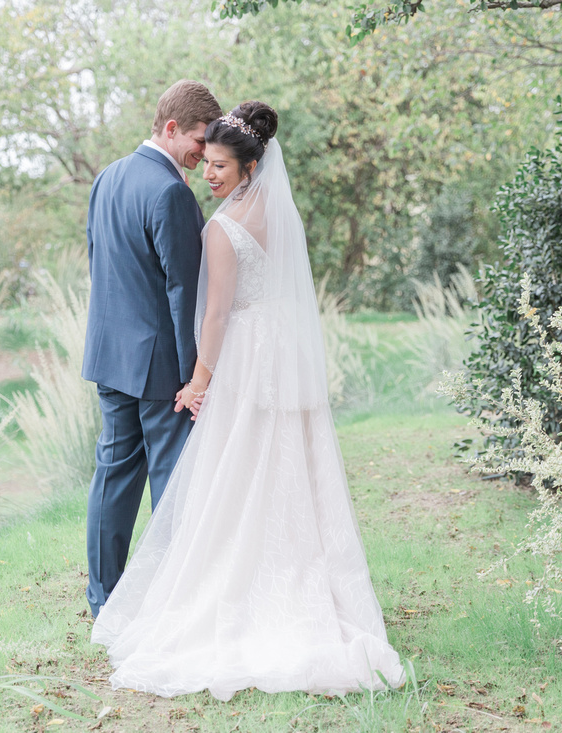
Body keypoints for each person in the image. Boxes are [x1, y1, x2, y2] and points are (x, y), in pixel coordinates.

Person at [91, 101, 406, 700]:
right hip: (283, 355)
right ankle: (296, 577)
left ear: (250, 166)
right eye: (206, 163)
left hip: (242, 359)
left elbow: (214, 314)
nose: (208, 174)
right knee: (289, 469)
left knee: (235, 472)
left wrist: (198, 381)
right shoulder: (280, 213)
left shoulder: (219, 227)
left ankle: (237, 587)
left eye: (220, 165)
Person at [82, 80, 223, 619]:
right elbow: (183, 290)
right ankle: (171, 608)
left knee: (113, 479)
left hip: (109, 355)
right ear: (171, 128)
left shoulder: (107, 177)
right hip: (162, 367)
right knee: (172, 484)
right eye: (199, 140)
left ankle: (104, 602)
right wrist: (194, 379)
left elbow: (99, 262)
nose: (204, 153)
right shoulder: (171, 192)